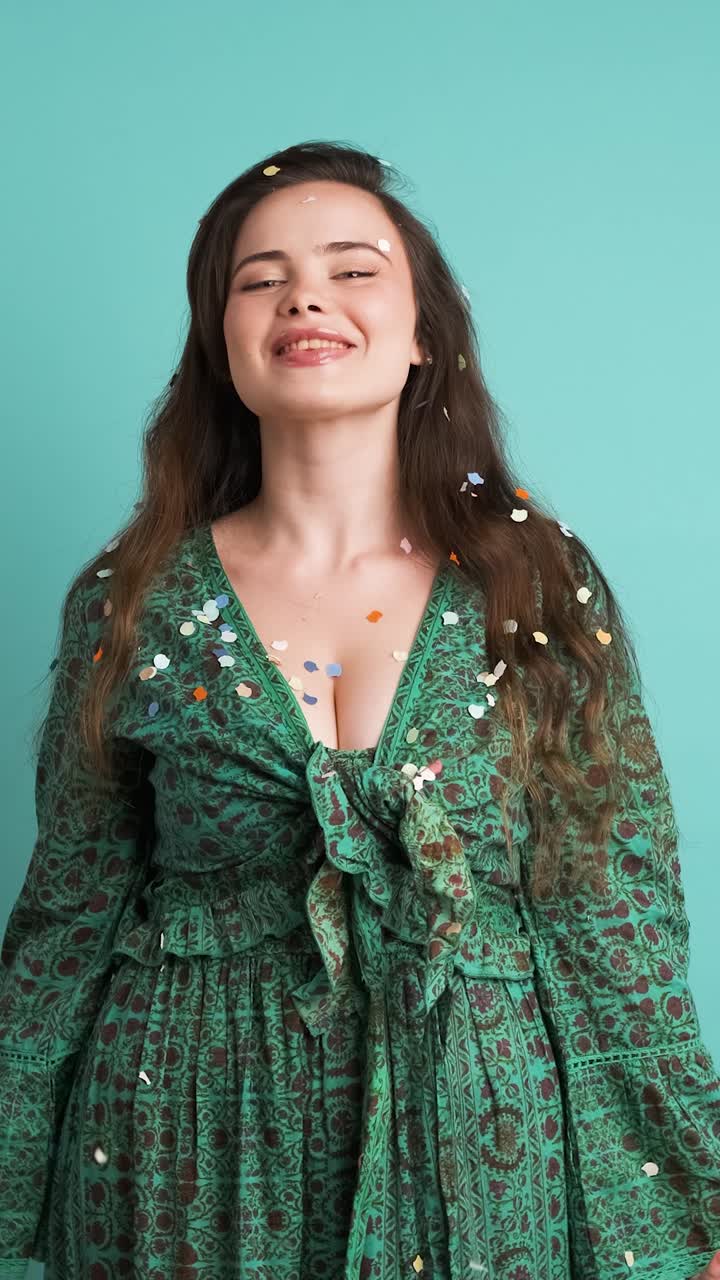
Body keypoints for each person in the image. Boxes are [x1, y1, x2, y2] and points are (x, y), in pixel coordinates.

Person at [1, 140, 718, 1280]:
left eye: (352, 267)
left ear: (425, 330)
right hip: (179, 1150)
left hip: (484, 1157)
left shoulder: (535, 586)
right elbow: (63, 923)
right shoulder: (130, 599)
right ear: (222, 341)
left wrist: (686, 1208)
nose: (305, 297)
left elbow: (614, 910)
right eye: (260, 277)